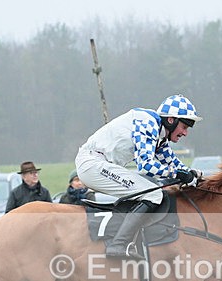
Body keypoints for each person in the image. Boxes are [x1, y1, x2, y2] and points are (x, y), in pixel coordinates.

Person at [75, 94, 203, 259]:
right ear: (171, 120)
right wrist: (179, 174)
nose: (185, 133)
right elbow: (146, 166)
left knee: (151, 191)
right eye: (184, 126)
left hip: (99, 164)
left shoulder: (160, 133)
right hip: (92, 164)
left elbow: (173, 163)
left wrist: (193, 175)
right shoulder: (148, 122)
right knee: (153, 193)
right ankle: (118, 244)